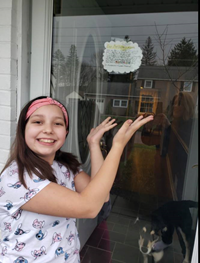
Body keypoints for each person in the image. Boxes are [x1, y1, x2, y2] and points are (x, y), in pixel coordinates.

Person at [0, 96, 153, 262]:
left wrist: (94, 144)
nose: (48, 129)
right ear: (23, 129)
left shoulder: (64, 167)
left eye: (57, 123)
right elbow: (89, 207)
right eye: (38, 122)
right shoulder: (18, 178)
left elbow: (101, 196)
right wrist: (117, 147)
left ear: (66, 132)